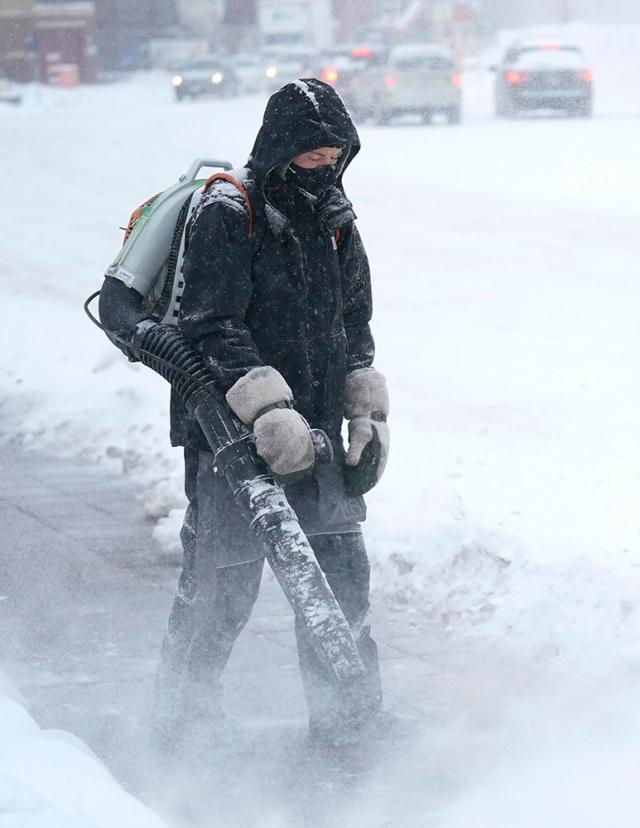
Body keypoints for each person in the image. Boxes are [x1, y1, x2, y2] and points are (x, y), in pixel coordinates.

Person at [152, 78, 392, 748]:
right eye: (311, 152)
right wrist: (268, 409)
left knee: (341, 577)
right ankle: (182, 723)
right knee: (223, 586)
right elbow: (210, 325)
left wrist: (364, 411)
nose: (323, 163)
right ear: (282, 146)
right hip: (230, 436)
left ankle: (349, 721)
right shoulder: (230, 212)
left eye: (334, 152)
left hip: (315, 432)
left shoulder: (337, 219)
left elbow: (355, 320)